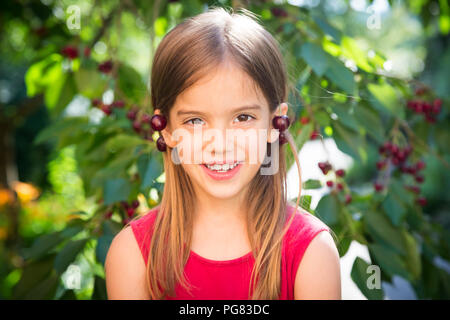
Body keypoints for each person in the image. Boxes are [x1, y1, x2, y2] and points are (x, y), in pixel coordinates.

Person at [105, 6, 341, 300]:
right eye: (195, 120)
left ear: (275, 123)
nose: (220, 144)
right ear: (165, 129)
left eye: (242, 118)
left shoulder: (311, 253)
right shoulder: (132, 255)